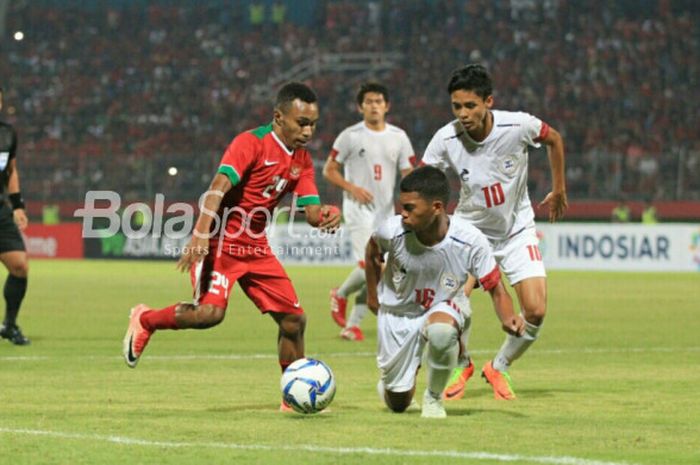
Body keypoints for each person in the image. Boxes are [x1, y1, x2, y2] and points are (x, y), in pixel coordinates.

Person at [122, 82, 341, 411]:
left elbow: (311, 213)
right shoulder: (250, 144)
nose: (309, 131)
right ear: (279, 117)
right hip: (220, 242)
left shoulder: (303, 161)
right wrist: (199, 234)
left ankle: (290, 395)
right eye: (302, 123)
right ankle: (146, 320)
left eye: (313, 124)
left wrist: (328, 214)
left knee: (294, 320)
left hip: (256, 247)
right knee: (210, 315)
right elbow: (217, 188)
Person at [422, 64, 567, 400]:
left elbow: (554, 139)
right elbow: (425, 180)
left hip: (516, 229)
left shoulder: (518, 126)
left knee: (536, 311)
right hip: (470, 231)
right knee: (450, 301)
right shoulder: (446, 138)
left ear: (488, 101)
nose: (463, 114)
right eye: (456, 106)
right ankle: (462, 363)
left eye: (470, 105)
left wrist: (559, 188)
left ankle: (498, 366)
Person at [365, 166, 524, 418]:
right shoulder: (391, 230)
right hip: (398, 311)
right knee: (398, 403)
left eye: (409, 208)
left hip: (444, 304)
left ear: (436, 207)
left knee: (442, 332)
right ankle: (397, 385)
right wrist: (372, 295)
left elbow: (496, 286)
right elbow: (372, 252)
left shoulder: (470, 240)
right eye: (401, 206)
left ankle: (433, 398)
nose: (402, 214)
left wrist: (507, 317)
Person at [323, 81, 415, 341]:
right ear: (360, 107)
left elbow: (408, 172)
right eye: (369, 102)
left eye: (378, 101)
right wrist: (351, 187)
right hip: (357, 209)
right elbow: (329, 170)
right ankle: (340, 294)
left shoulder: (399, 137)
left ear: (387, 106)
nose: (374, 106)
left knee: (376, 271)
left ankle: (352, 325)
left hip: (385, 212)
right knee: (368, 265)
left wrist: (410, 201)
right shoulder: (350, 136)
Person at [0, 86, 31, 346]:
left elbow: (11, 170)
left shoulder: (7, 133)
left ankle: (9, 325)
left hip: (0, 211)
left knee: (20, 266)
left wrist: (17, 205)